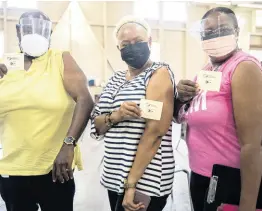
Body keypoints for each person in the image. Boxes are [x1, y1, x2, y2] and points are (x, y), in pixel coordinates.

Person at [0, 10, 94, 211]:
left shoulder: (60, 59)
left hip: (55, 168)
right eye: (28, 28)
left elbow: (85, 99)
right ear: (18, 31)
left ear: (50, 34)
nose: (35, 34)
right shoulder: (6, 65)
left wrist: (68, 145)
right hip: (12, 168)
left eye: (42, 30)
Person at [174, 7, 262, 211]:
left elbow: (252, 145)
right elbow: (182, 117)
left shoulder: (244, 67)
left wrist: (247, 206)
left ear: (237, 32)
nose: (216, 36)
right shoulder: (206, 70)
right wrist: (181, 98)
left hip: (229, 181)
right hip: (201, 175)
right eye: (209, 32)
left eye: (223, 29)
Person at [90, 16, 175, 211]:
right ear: (119, 49)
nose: (132, 47)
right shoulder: (115, 78)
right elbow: (97, 123)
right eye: (125, 44)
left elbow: (155, 133)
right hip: (114, 175)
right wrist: (116, 116)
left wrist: (131, 184)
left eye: (138, 41)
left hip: (145, 179)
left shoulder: (158, 73)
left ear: (150, 42)